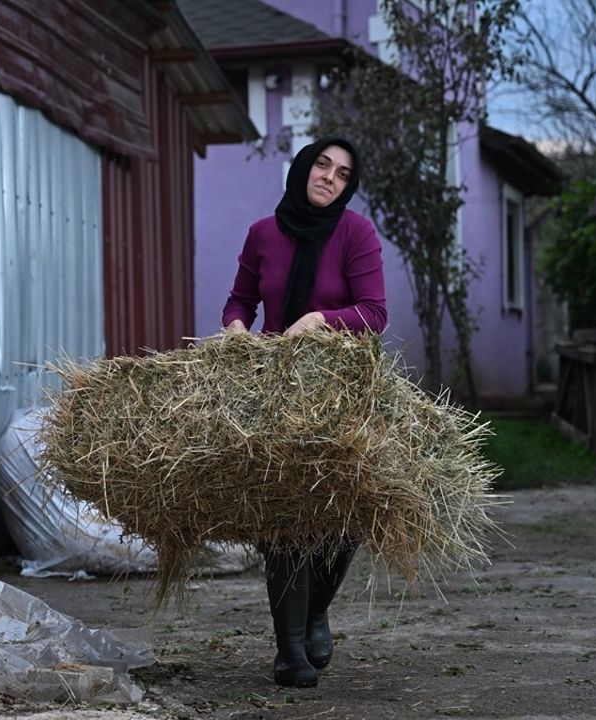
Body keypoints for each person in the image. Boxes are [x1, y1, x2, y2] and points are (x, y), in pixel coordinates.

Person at [221, 136, 388, 688]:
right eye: (323, 165)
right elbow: (241, 299)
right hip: (272, 385)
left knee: (344, 513)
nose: (329, 179)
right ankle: (290, 649)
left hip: (338, 385)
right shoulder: (263, 234)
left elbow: (374, 313)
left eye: (342, 175)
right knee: (282, 517)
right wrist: (237, 330)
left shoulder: (355, 233)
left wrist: (320, 320)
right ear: (303, 167)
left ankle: (315, 611)